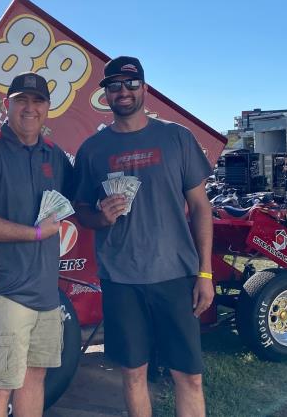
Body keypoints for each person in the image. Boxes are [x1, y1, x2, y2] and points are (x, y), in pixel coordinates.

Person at [74, 56, 215, 417]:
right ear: (105, 94)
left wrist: (205, 273)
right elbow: (81, 211)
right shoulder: (92, 149)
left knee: (189, 377)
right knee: (133, 374)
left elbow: (200, 208)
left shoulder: (176, 137)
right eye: (114, 85)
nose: (123, 91)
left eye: (131, 84)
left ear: (145, 89)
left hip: (175, 275)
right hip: (121, 279)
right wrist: (101, 217)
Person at [0, 72, 73, 417]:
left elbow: (80, 201)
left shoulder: (54, 155)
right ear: (7, 105)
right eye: (22, 100)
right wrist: (34, 233)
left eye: (38, 101)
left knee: (35, 378)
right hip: (3, 291)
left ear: (48, 108)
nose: (30, 108)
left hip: (47, 294)